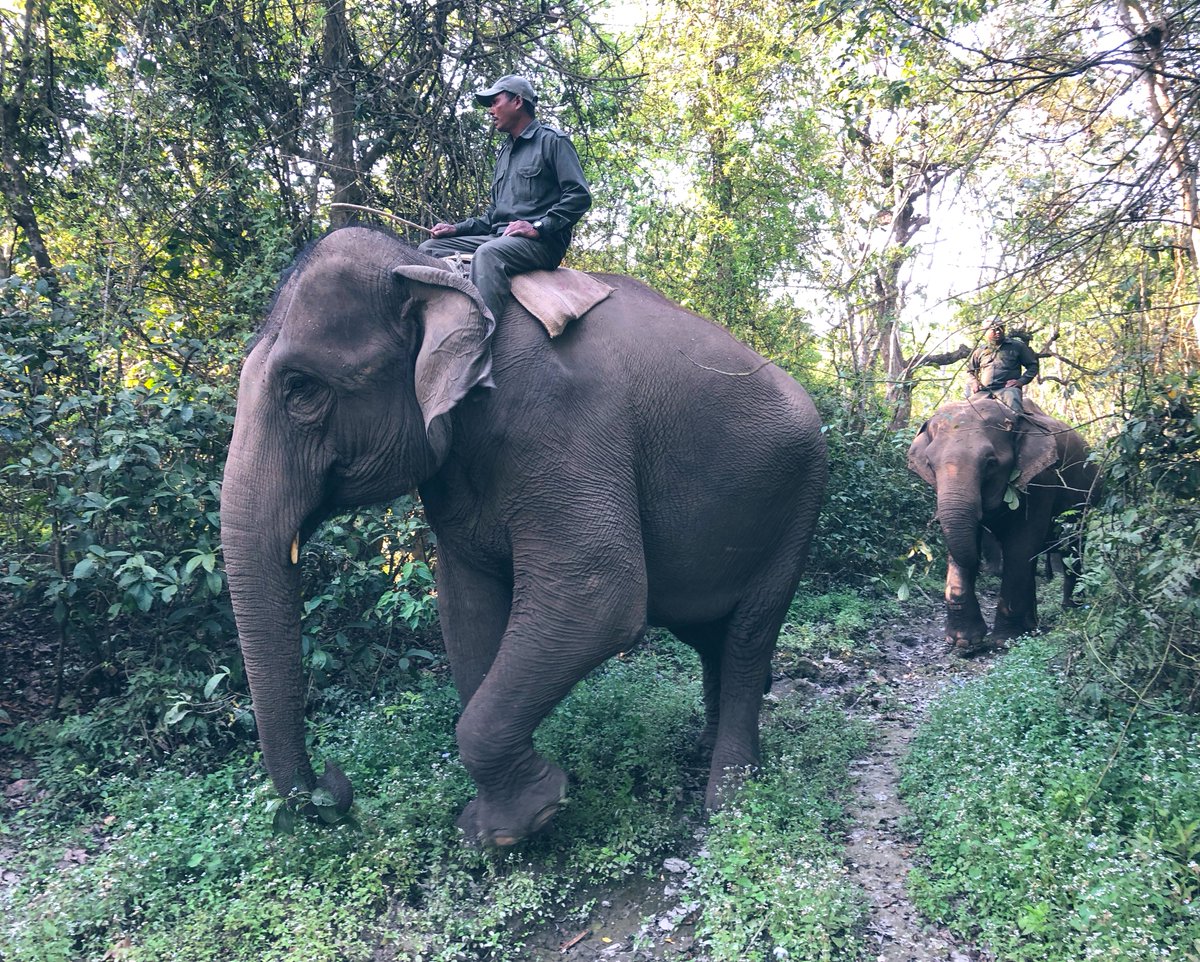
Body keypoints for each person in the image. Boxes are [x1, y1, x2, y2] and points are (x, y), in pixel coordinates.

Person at [419, 75, 592, 324]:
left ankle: (479, 337)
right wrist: (456, 229)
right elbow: (493, 216)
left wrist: (538, 227)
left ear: (518, 101)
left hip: (541, 244)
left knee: (488, 255)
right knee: (429, 249)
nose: (490, 110)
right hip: (499, 236)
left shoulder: (553, 141)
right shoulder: (505, 152)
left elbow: (579, 196)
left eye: (495, 102)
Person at [966, 320, 1040, 413]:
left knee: (1014, 410)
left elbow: (1033, 366)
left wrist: (1021, 381)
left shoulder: (1017, 346)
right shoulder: (980, 351)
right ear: (985, 332)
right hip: (984, 391)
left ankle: (1014, 426)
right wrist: (974, 382)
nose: (998, 331)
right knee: (969, 410)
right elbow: (970, 371)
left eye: (1001, 328)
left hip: (1007, 390)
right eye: (994, 329)